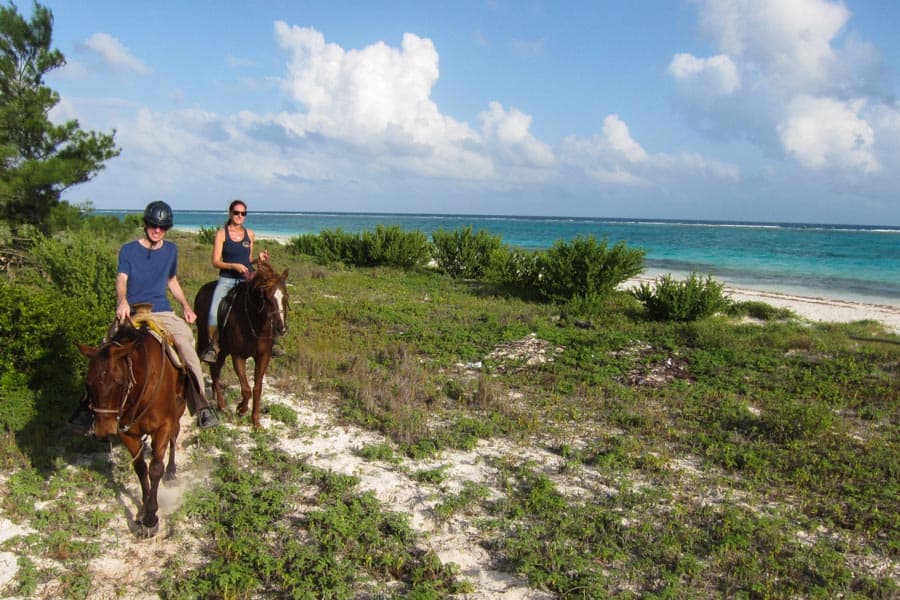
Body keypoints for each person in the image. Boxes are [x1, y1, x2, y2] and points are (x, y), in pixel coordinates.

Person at [116, 201, 219, 429]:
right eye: (153, 225)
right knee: (107, 349)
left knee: (185, 344)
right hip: (133, 310)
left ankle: (201, 405)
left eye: (162, 227)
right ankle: (92, 407)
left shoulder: (171, 250)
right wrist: (122, 300)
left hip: (161, 311)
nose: (157, 230)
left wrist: (186, 306)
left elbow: (171, 280)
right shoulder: (128, 250)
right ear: (146, 224)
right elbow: (122, 279)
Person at [201, 199, 284, 363]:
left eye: (243, 213)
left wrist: (257, 260)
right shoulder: (222, 234)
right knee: (213, 312)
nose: (239, 216)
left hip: (247, 279)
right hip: (227, 279)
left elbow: (247, 259)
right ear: (230, 213)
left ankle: (272, 341)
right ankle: (214, 346)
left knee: (268, 302)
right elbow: (215, 261)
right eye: (236, 212)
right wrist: (233, 266)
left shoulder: (250, 234)